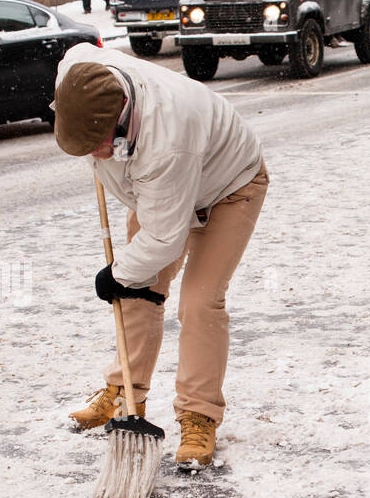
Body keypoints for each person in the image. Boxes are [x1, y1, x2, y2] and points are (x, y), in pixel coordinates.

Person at [55, 42, 268, 468]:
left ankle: (198, 414)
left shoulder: (166, 138)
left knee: (200, 301)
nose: (95, 155)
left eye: (96, 144)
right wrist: (128, 279)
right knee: (138, 290)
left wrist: (115, 273)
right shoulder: (79, 76)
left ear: (119, 117)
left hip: (229, 187)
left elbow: (164, 239)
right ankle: (123, 392)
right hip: (157, 194)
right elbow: (76, 50)